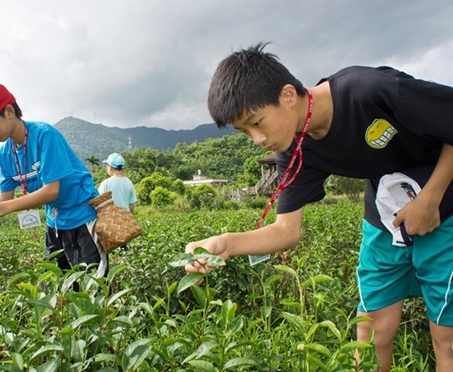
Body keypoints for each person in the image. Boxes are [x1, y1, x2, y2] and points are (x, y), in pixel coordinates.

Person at [184, 42, 453, 371]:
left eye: (257, 122)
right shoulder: (295, 151)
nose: (257, 139)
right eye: (245, 131)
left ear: (286, 95)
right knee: (369, 333)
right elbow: (286, 229)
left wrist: (431, 197)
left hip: (445, 206)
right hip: (385, 219)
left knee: (446, 338)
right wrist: (225, 243)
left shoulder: (369, 91)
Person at [0, 83, 107, 278]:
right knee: (60, 289)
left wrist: (4, 209)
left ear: (9, 112)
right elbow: (4, 198)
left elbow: (51, 190)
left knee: (93, 289)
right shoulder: (5, 153)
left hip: (83, 220)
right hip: (55, 224)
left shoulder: (45, 135)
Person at [98, 152, 137, 251]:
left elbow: (99, 205)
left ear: (110, 167)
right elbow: (131, 206)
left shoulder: (106, 183)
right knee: (123, 250)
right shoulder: (129, 183)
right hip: (124, 223)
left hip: (110, 224)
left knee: (110, 252)